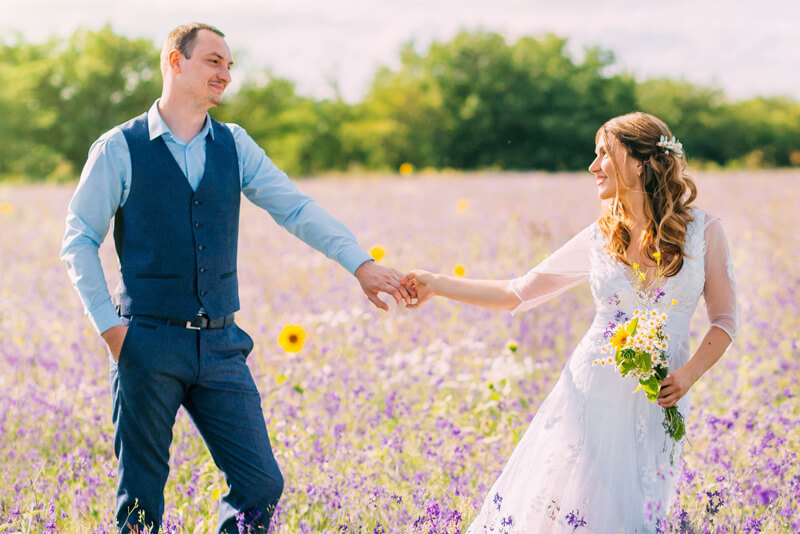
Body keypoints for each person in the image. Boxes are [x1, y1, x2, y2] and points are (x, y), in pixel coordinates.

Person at [60, 22, 414, 534]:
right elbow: (77, 241)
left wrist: (361, 264)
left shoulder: (234, 144)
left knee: (261, 484)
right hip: (146, 343)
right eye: (213, 61)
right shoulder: (119, 148)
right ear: (175, 62)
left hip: (222, 345)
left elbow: (295, 208)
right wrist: (112, 331)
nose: (225, 74)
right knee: (140, 506)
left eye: (229, 65)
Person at [403, 112, 737, 532]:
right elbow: (518, 293)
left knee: (641, 511)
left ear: (639, 161)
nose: (592, 166)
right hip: (590, 395)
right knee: (576, 507)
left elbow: (724, 320)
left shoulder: (704, 232)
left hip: (661, 399)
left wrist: (688, 375)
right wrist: (436, 284)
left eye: (603, 154)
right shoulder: (601, 236)